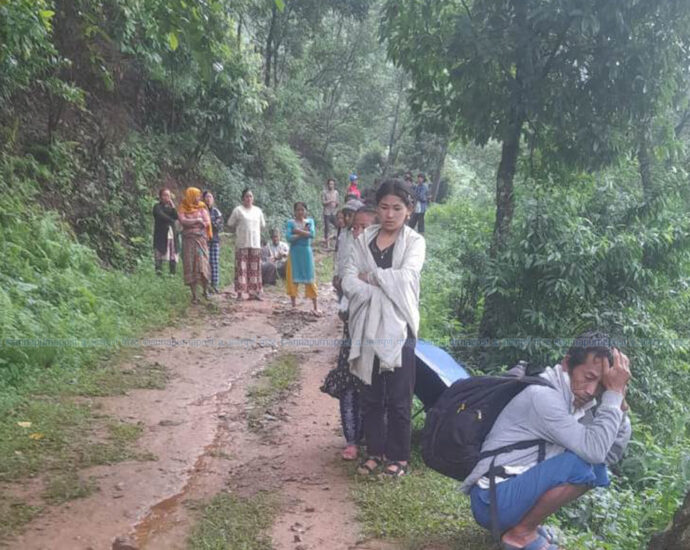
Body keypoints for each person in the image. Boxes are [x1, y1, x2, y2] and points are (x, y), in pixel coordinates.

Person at [461, 332, 632, 550]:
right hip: (490, 501)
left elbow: (609, 454)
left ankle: (524, 525)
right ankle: (519, 535)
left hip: (505, 494)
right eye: (589, 377)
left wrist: (619, 401)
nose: (592, 391)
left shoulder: (575, 401)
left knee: (595, 469)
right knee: (580, 464)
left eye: (601, 385)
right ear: (567, 363)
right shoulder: (544, 397)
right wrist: (612, 395)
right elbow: (594, 452)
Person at [342, 179, 425, 478]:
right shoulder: (363, 239)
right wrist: (379, 285)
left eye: (397, 208)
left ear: (409, 210)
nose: (390, 214)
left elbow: (407, 278)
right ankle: (375, 452)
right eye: (384, 207)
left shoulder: (414, 242)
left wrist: (371, 277)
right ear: (377, 208)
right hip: (366, 325)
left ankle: (399, 457)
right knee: (372, 394)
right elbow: (348, 279)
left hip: (399, 327)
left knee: (400, 396)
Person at [322, 206, 380, 461]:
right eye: (355, 227)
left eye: (364, 227)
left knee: (371, 382)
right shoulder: (351, 250)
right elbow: (346, 283)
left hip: (377, 329)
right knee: (348, 381)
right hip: (352, 327)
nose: (357, 232)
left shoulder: (385, 257)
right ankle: (352, 439)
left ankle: (369, 435)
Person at [227, 188, 266, 301]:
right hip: (242, 243)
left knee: (254, 269)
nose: (249, 198)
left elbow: (262, 225)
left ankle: (253, 293)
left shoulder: (258, 211)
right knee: (241, 268)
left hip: (255, 243)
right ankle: (240, 293)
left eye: (251, 196)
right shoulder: (238, 210)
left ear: (253, 198)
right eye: (247, 196)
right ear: (243, 198)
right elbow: (230, 223)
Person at [177, 187, 212, 303]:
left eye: (199, 196)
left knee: (203, 264)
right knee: (190, 265)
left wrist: (192, 223)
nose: (199, 198)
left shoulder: (202, 207)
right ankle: (195, 296)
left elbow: (207, 222)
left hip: (200, 241)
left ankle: (205, 291)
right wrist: (197, 221)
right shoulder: (183, 207)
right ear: (191, 196)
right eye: (197, 196)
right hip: (188, 242)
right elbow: (183, 221)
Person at [285, 202, 320, 315]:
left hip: (306, 252)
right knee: (292, 278)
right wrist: (304, 232)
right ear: (294, 211)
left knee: (310, 278)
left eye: (302, 210)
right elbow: (289, 238)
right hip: (294, 253)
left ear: (305, 211)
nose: (300, 212)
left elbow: (312, 234)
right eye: (298, 210)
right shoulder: (290, 223)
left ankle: (315, 306)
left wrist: (297, 231)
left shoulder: (310, 222)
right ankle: (293, 305)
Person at [332, 199, 363, 298]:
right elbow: (339, 255)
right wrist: (336, 274)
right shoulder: (343, 234)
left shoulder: (363, 236)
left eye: (350, 215)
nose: (347, 218)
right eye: (345, 215)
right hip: (342, 277)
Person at [152, 188, 179, 276]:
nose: (167, 197)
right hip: (161, 234)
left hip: (171, 234)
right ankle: (159, 274)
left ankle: (172, 274)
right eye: (165, 195)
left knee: (172, 253)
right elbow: (160, 215)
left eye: (168, 195)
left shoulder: (170, 208)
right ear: (160, 196)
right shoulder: (157, 207)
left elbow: (176, 216)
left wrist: (173, 206)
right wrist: (171, 220)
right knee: (159, 253)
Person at [202, 190, 223, 293]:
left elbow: (219, 226)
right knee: (204, 263)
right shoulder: (200, 210)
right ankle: (206, 286)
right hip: (202, 240)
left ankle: (214, 285)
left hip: (214, 240)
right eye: (207, 197)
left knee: (214, 263)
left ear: (213, 199)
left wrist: (209, 222)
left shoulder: (216, 212)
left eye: (210, 197)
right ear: (203, 199)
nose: (208, 199)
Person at [321, 178, 340, 248]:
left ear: (334, 185)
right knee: (327, 228)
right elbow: (323, 202)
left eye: (332, 184)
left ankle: (337, 241)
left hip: (334, 212)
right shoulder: (324, 192)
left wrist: (336, 203)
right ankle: (327, 244)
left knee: (338, 226)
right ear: (327, 185)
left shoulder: (336, 192)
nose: (331, 185)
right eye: (330, 184)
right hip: (327, 213)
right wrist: (330, 201)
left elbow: (338, 202)